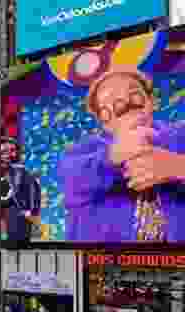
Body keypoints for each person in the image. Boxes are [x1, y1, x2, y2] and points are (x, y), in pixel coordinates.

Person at [59, 69, 185, 242]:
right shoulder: (81, 153)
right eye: (111, 103)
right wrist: (112, 155)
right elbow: (70, 179)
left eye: (133, 94)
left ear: (151, 101)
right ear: (104, 121)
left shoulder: (180, 135)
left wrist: (178, 167)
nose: (125, 105)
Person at [0, 136, 42, 242]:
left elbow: (34, 189)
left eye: (13, 151)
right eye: (5, 151)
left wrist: (32, 211)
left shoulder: (20, 171)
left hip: (15, 215)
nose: (11, 155)